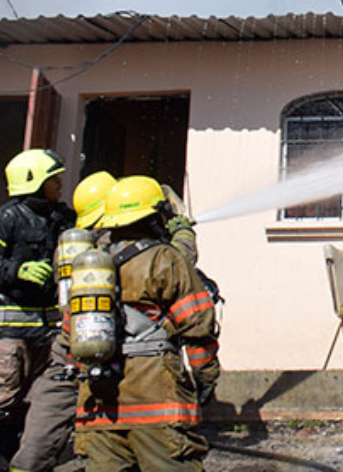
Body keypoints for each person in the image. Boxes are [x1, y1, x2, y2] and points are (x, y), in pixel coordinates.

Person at [73, 176, 219, 472]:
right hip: (155, 398)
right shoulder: (164, 259)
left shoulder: (91, 267)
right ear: (154, 216)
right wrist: (205, 377)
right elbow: (196, 325)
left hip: (100, 403)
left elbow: (69, 335)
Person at [0, 149, 75, 472]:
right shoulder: (5, 217)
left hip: (47, 327)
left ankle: (16, 453)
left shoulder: (61, 218)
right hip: (9, 327)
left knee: (38, 394)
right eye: (53, 179)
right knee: (4, 389)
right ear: (35, 181)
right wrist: (18, 270)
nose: (59, 184)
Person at [6, 171, 116, 472]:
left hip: (66, 343)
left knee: (48, 411)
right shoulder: (118, 248)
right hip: (110, 344)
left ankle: (25, 466)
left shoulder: (70, 249)